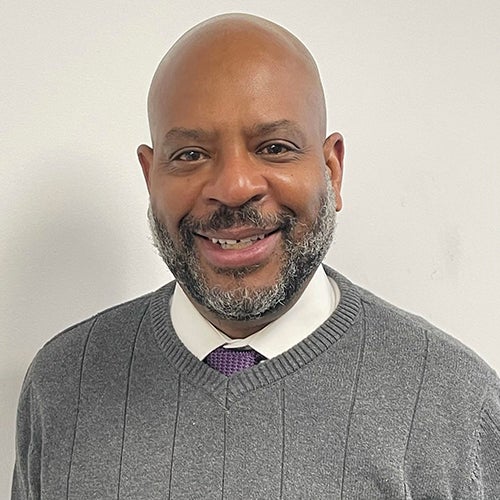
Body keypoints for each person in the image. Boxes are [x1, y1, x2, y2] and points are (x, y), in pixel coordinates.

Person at [12, 13, 500, 500]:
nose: (233, 187)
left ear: (332, 171)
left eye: (274, 147)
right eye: (190, 155)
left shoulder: (455, 404)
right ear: (150, 177)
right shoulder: (63, 385)